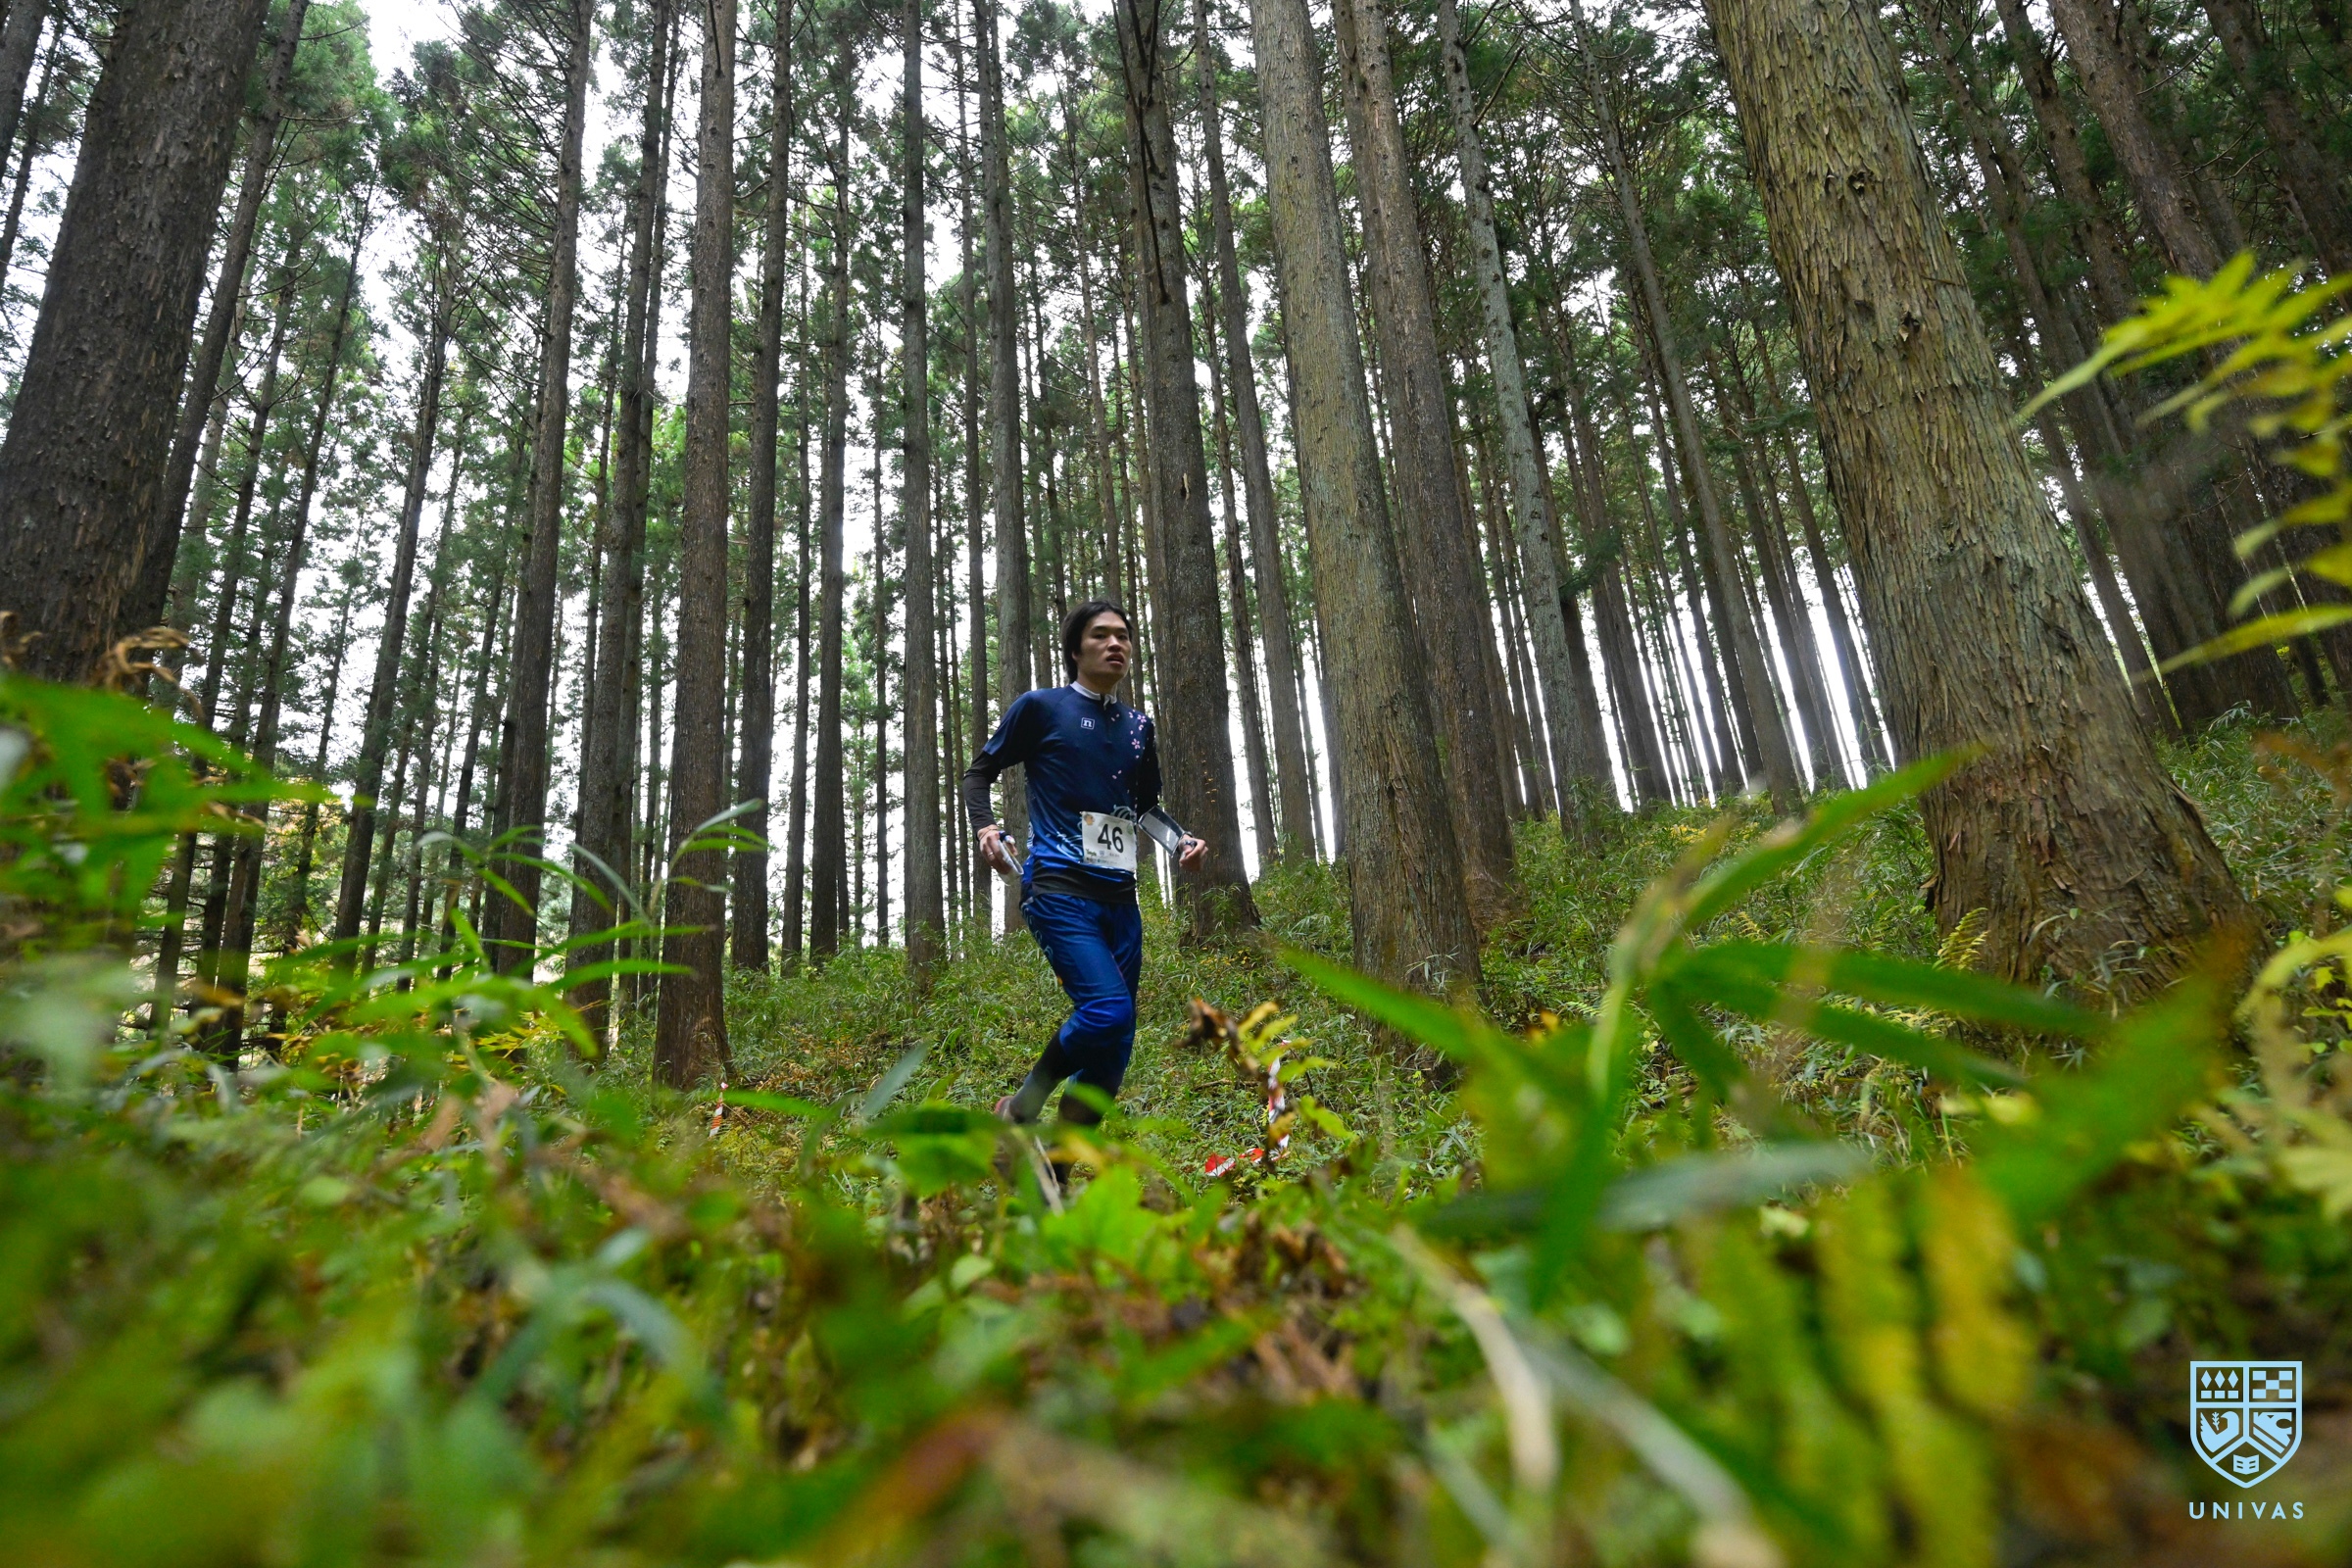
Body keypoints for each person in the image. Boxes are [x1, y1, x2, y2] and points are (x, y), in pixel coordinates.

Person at [962, 601, 1207, 1156]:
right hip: (1058, 887)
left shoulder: (1139, 726)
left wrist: (1181, 842)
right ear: (1076, 648)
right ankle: (1018, 1109)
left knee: (1114, 1042)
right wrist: (987, 827)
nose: (1115, 644)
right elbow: (979, 773)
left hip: (1120, 899)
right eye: (1101, 635)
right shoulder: (1041, 708)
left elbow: (1144, 807)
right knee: (1106, 1011)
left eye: (1123, 636)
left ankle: (1058, 1165)